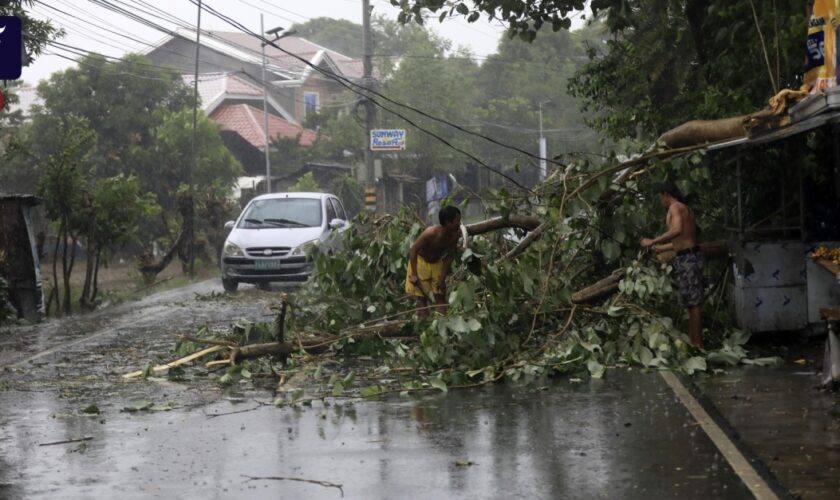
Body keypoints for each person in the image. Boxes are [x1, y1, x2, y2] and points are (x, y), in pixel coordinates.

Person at [640, 182, 705, 349]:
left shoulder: (675, 207)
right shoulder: (684, 208)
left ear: (665, 195)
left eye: (660, 197)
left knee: (694, 302)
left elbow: (676, 229)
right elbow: (682, 238)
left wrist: (653, 240)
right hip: (688, 256)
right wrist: (659, 247)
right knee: (691, 302)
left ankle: (698, 343)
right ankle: (694, 341)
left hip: (689, 258)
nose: (660, 201)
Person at [406, 205, 462, 318]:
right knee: (422, 298)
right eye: (457, 221)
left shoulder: (455, 235)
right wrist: (414, 274)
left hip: (437, 263)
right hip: (421, 262)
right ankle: (425, 327)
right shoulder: (431, 233)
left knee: (440, 295)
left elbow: (450, 255)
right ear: (448, 223)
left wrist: (442, 278)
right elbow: (413, 250)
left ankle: (442, 327)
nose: (459, 224)